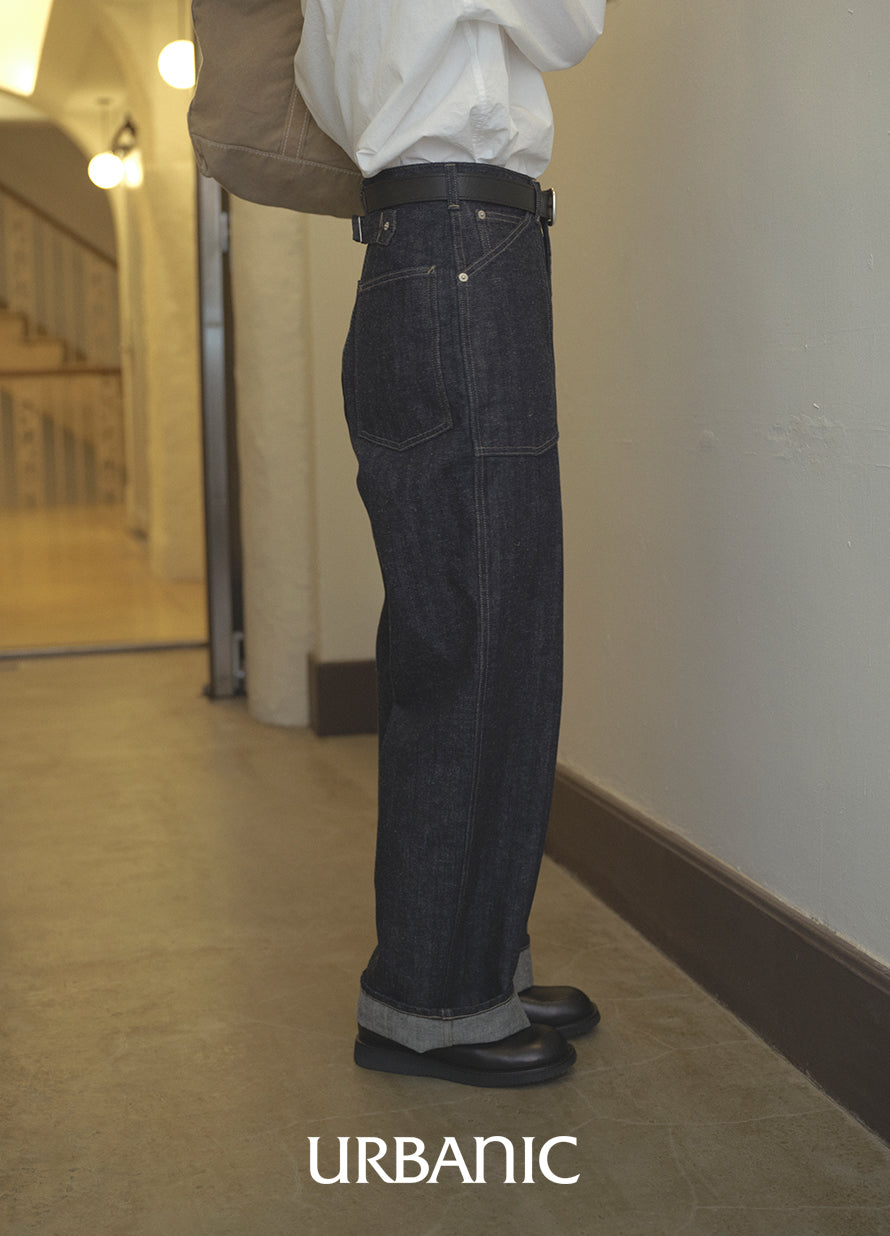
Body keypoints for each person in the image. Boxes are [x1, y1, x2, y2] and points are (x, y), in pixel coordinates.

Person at [295, 0, 608, 1087]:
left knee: (470, 633)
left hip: (416, 256)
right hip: (467, 252)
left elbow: (327, 94)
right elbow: (570, 24)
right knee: (481, 641)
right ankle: (429, 1000)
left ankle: (476, 963)